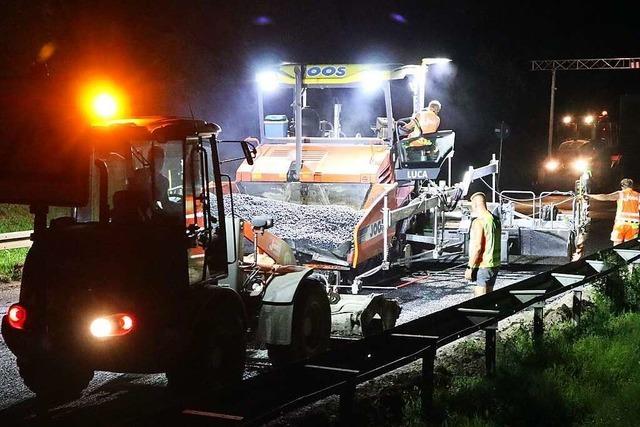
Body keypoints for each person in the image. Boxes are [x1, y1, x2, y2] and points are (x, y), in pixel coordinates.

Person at [464, 192, 501, 296]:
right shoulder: (495, 220)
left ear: (475, 204)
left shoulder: (479, 222)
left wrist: (469, 268)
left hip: (484, 265)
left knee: (479, 301)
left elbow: (477, 247)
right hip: (495, 264)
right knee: (489, 299)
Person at [589, 178, 640, 245]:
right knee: (629, 245)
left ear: (622, 186)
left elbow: (605, 197)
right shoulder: (638, 195)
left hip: (621, 223)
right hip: (634, 224)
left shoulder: (620, 194)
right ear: (632, 186)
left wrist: (590, 196)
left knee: (617, 245)